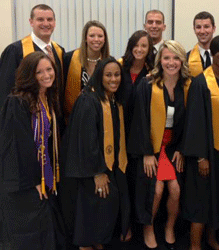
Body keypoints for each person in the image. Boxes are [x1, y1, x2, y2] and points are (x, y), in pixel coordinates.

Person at [61, 57, 130, 250]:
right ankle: (86, 245)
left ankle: (96, 242)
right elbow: (86, 140)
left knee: (105, 206)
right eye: (108, 75)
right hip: (89, 171)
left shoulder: (113, 100)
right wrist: (98, 172)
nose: (114, 79)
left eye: (117, 75)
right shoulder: (88, 100)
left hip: (107, 166)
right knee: (91, 209)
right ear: (99, 77)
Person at [127, 40, 190, 249]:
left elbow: (190, 122)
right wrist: (146, 153)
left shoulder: (187, 86)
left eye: (175, 58)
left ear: (182, 60)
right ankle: (148, 227)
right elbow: (140, 121)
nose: (171, 63)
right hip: (152, 148)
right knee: (156, 190)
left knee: (175, 189)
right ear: (159, 60)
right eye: (166, 58)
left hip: (172, 148)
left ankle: (169, 227)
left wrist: (182, 148)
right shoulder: (148, 85)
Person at [0, 51, 65, 250]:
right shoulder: (18, 102)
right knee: (29, 236)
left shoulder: (47, 98)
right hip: (24, 182)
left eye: (49, 69)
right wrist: (34, 180)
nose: (47, 75)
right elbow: (19, 145)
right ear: (30, 74)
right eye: (39, 72)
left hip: (43, 175)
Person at [182, 35, 219, 250]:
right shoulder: (201, 83)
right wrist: (201, 157)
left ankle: (211, 239)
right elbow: (195, 123)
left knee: (218, 198)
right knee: (201, 201)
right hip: (206, 153)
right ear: (213, 53)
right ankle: (194, 245)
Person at [117, 29, 155, 243]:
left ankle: (140, 225)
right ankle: (124, 225)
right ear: (131, 46)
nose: (140, 50)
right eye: (136, 45)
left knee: (137, 183)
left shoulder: (152, 74)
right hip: (118, 134)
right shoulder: (119, 68)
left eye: (144, 46)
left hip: (141, 137)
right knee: (121, 183)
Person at [0, 4, 64, 109]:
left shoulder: (59, 51)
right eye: (40, 19)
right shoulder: (15, 51)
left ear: (54, 23)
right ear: (31, 22)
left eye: (49, 19)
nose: (46, 23)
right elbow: (5, 90)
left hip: (53, 115)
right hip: (25, 115)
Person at [64, 20, 110, 120]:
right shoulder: (69, 58)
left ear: (105, 39)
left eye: (100, 36)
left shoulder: (109, 63)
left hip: (100, 117)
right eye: (92, 36)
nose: (96, 39)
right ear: (85, 38)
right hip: (75, 117)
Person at [187, 11, 216, 77]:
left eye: (206, 27)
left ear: (214, 29)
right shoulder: (186, 59)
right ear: (194, 29)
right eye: (198, 27)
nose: (202, 31)